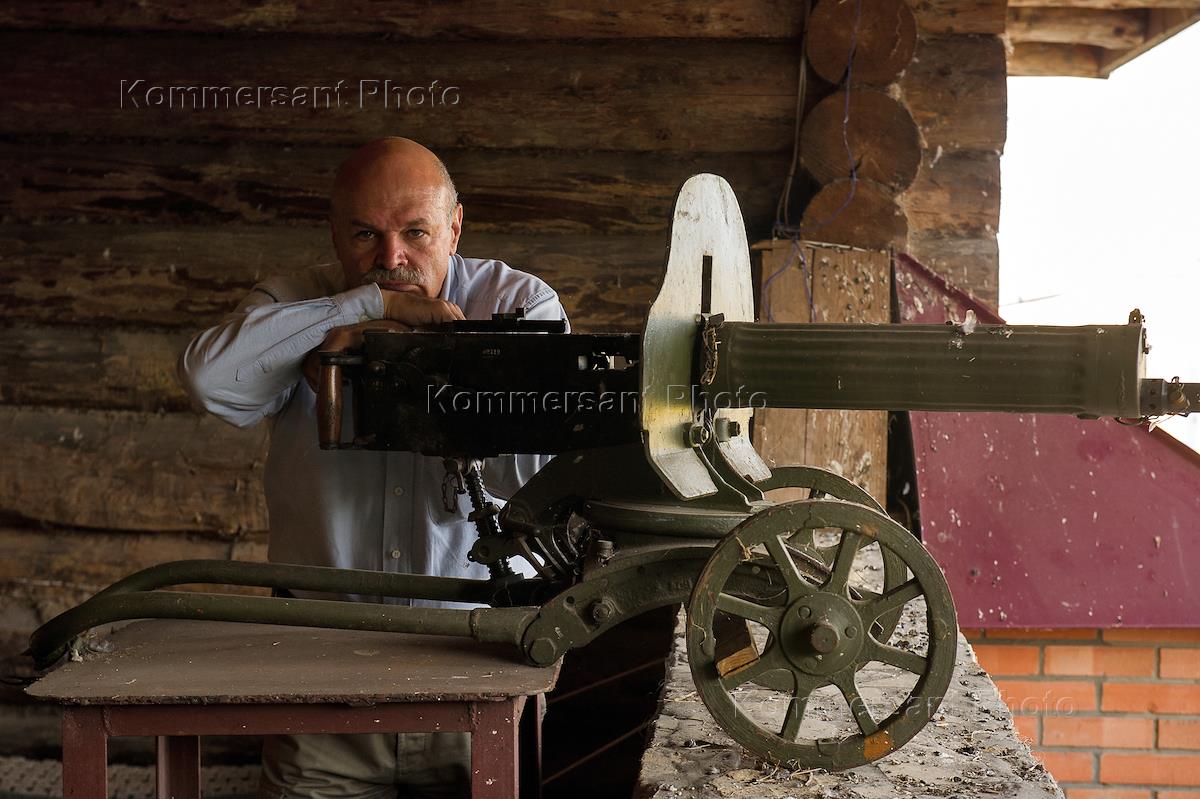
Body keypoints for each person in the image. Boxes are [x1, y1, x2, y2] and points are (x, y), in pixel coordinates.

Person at [178, 137, 568, 798]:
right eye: (365, 235)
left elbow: (539, 476)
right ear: (334, 232)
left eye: (416, 232)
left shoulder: (519, 305)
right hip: (322, 687)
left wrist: (434, 366)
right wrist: (366, 307)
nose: (391, 259)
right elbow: (209, 379)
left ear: (454, 228)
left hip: (482, 672)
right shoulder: (295, 302)